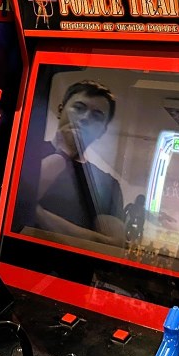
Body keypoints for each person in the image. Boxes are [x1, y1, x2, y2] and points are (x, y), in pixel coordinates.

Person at [30, 80, 125, 244]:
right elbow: (15, 206)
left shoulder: (107, 184)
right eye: (79, 108)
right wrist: (63, 154)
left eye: (97, 116)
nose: (85, 118)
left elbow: (113, 244)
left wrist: (38, 213)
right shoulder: (27, 153)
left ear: (102, 130)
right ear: (60, 110)